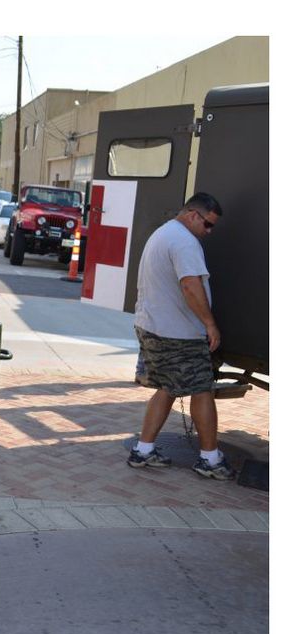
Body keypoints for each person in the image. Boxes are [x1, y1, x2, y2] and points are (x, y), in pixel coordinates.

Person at [127, 192, 232, 480]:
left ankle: (143, 450)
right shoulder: (185, 242)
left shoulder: (163, 233)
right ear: (193, 215)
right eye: (208, 224)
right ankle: (210, 459)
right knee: (201, 389)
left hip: (154, 327)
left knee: (169, 387)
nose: (209, 232)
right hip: (177, 335)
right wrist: (210, 324)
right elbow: (190, 286)